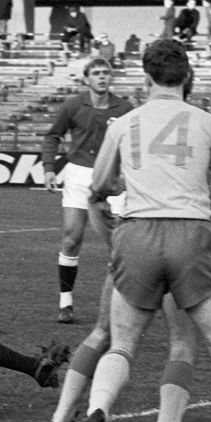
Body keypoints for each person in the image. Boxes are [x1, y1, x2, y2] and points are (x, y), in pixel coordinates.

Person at [69, 39, 211, 422]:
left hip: (137, 234)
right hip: (191, 233)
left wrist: (131, 194)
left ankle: (96, 412)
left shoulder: (124, 122)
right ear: (188, 77)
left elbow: (98, 185)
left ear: (146, 77)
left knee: (122, 344)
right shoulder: (208, 122)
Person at [44, 68, 211, 422]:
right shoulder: (200, 129)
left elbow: (96, 194)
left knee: (105, 335)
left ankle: (63, 415)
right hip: (186, 247)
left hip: (134, 249)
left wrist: (114, 245)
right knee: (183, 342)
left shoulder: (131, 130)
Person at [40, 57, 135, 324]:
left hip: (112, 177)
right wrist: (49, 168)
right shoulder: (73, 105)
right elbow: (52, 136)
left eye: (106, 73)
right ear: (87, 79)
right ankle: (65, 304)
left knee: (118, 244)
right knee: (71, 237)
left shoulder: (125, 107)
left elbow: (133, 143)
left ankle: (122, 304)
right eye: (96, 73)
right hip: (78, 174)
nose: (102, 77)